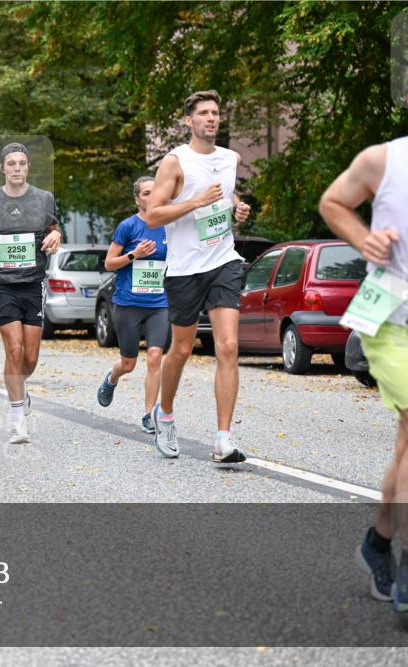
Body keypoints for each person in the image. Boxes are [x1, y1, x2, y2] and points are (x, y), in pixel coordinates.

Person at [319, 46, 408, 615]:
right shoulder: (385, 160)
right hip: (394, 318)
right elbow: (334, 202)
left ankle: (377, 542)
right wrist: (363, 239)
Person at [144, 90, 252, 462]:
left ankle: (224, 439)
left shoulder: (229, 158)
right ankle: (166, 414)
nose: (211, 118)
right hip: (185, 268)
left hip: (223, 261)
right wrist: (194, 202)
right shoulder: (176, 163)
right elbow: (152, 216)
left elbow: (228, 195)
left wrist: (237, 209)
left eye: (216, 113)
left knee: (228, 346)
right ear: (188, 121)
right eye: (204, 113)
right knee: (182, 350)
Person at [0, 143, 62, 444]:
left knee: (29, 359)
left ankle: (21, 387)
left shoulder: (44, 199)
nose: (17, 168)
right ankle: (18, 420)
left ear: (28, 167)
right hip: (2, 285)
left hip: (33, 285)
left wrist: (56, 234)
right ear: (2, 169)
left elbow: (54, 230)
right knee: (14, 350)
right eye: (11, 163)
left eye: (22, 163)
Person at [96, 176, 170, 435]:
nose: (152, 197)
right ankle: (111, 378)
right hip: (128, 304)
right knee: (129, 363)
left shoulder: (169, 226)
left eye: (156, 192)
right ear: (138, 199)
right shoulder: (128, 227)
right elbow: (109, 263)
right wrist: (133, 255)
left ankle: (149, 415)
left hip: (159, 304)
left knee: (154, 357)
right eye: (146, 193)